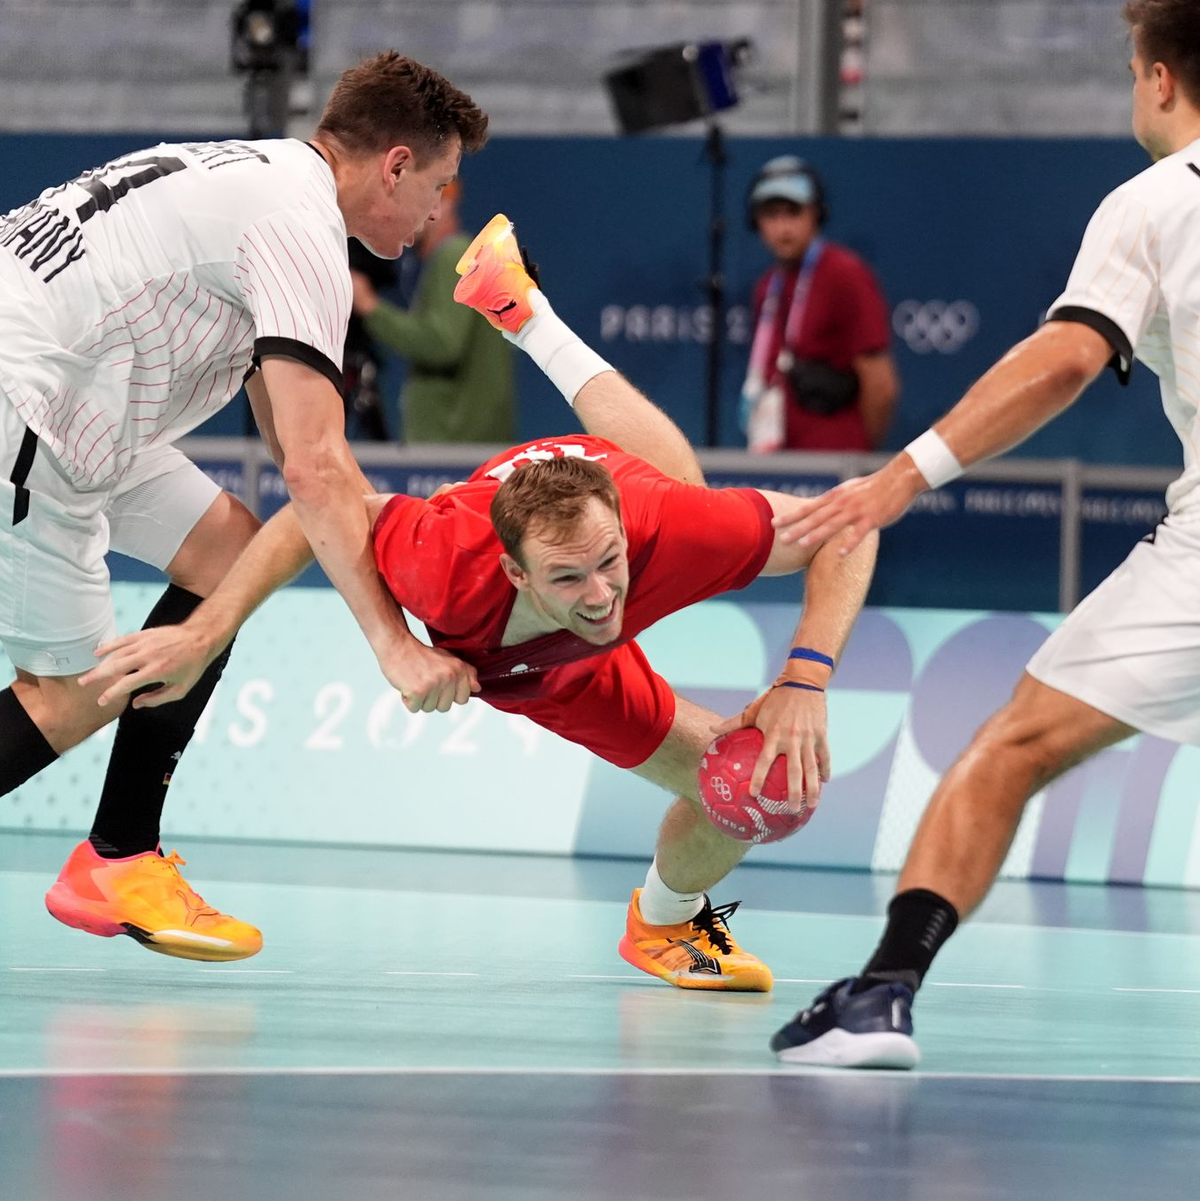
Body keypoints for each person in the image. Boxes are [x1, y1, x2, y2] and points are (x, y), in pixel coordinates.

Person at [80, 216, 878, 991]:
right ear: (517, 573)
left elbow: (854, 522)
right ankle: (520, 316)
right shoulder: (444, 563)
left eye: (608, 567)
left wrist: (806, 679)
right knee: (675, 512)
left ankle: (666, 922)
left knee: (760, 778)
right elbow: (313, 512)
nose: (600, 598)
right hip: (544, 669)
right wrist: (218, 631)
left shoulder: (661, 536)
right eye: (569, 579)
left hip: (631, 513)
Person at [768, 0, 1200, 1067]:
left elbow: (1066, 359)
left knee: (1010, 747)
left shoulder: (1154, 204)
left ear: (1157, 80)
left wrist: (902, 477)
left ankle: (880, 995)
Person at [0, 52, 488, 962]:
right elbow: (314, 468)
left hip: (82, 395)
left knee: (229, 555)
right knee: (66, 696)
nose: (434, 212)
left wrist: (368, 527)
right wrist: (393, 642)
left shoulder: (258, 177)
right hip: (33, 405)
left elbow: (297, 439)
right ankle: (114, 860)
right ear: (394, 165)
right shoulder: (299, 226)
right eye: (439, 183)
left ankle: (120, 855)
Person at [741, 155, 898, 453]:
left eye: (794, 212)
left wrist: (859, 458)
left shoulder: (845, 273)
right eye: (771, 215)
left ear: (816, 214)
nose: (782, 227)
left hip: (836, 465)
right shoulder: (767, 286)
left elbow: (881, 386)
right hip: (777, 461)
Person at [350, 179, 515, 443]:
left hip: (453, 447)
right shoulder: (461, 256)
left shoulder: (454, 256)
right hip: (461, 447)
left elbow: (442, 343)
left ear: (443, 206)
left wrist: (370, 307)